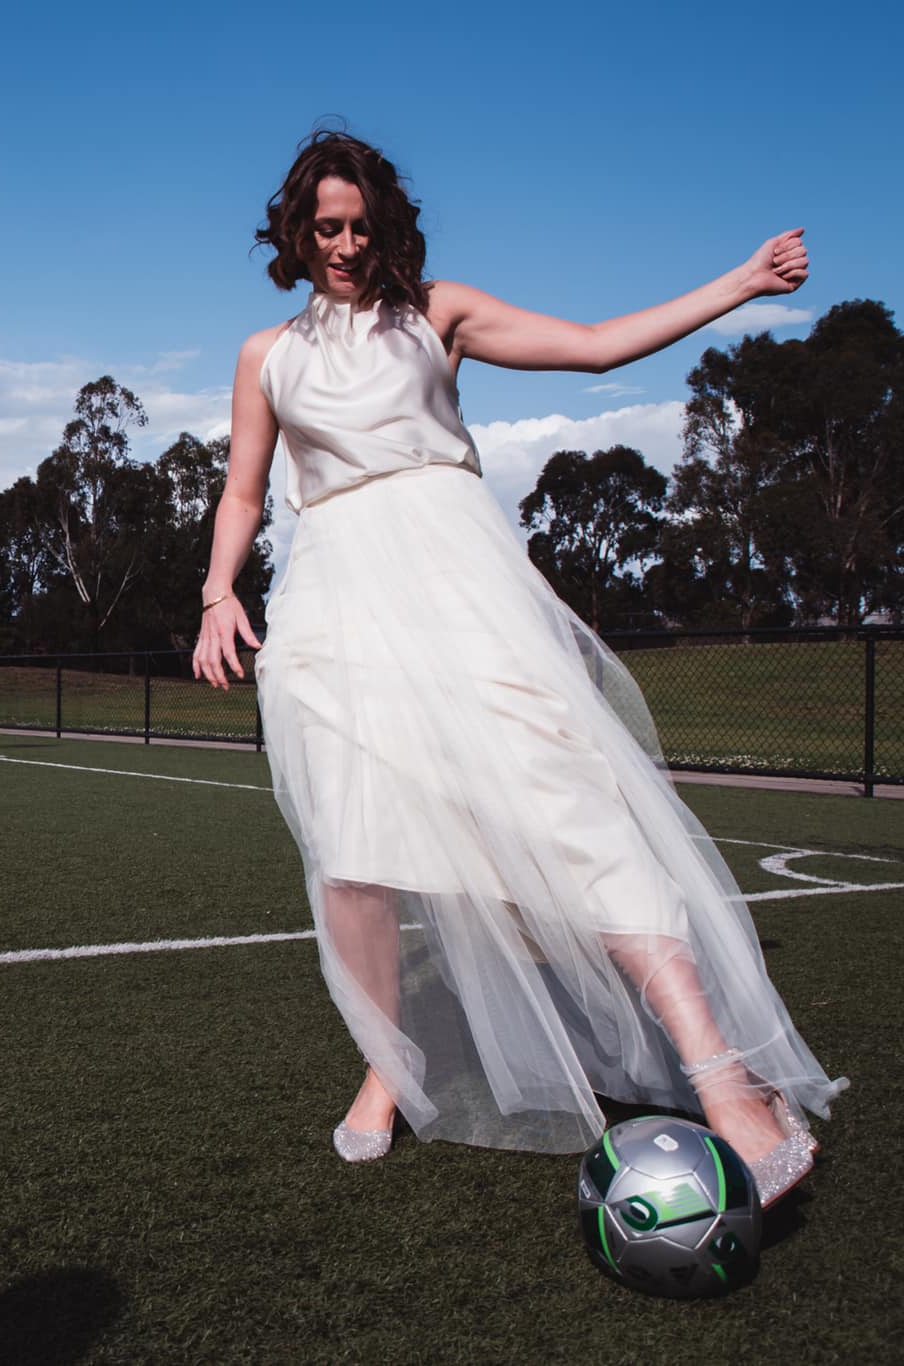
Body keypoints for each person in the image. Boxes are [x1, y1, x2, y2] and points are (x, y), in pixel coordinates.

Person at [192, 130, 844, 1204]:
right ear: (295, 235)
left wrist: (738, 281)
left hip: (460, 585)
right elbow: (242, 491)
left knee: (565, 807)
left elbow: (590, 345)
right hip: (332, 603)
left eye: (359, 225)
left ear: (382, 224)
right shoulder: (265, 353)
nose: (345, 245)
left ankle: (719, 1073)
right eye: (325, 228)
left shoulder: (435, 314)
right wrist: (220, 590)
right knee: (352, 850)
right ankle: (386, 1071)